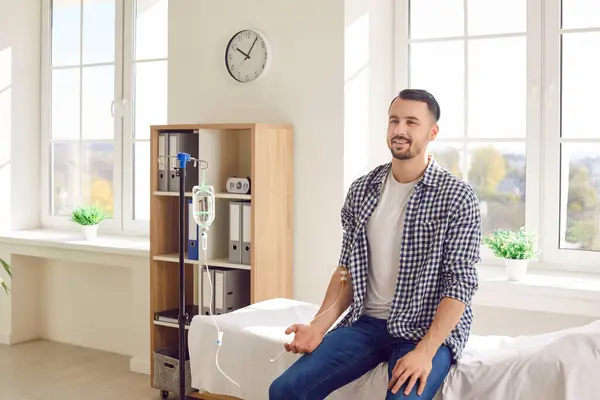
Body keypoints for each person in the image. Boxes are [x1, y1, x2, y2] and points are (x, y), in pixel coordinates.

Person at [268, 89, 482, 400]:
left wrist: (425, 351)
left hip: (421, 330)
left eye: (412, 122)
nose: (400, 130)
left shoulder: (457, 197)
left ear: (432, 132)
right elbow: (346, 271)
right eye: (394, 120)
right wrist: (318, 326)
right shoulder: (363, 189)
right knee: (285, 390)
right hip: (367, 326)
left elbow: (460, 284)